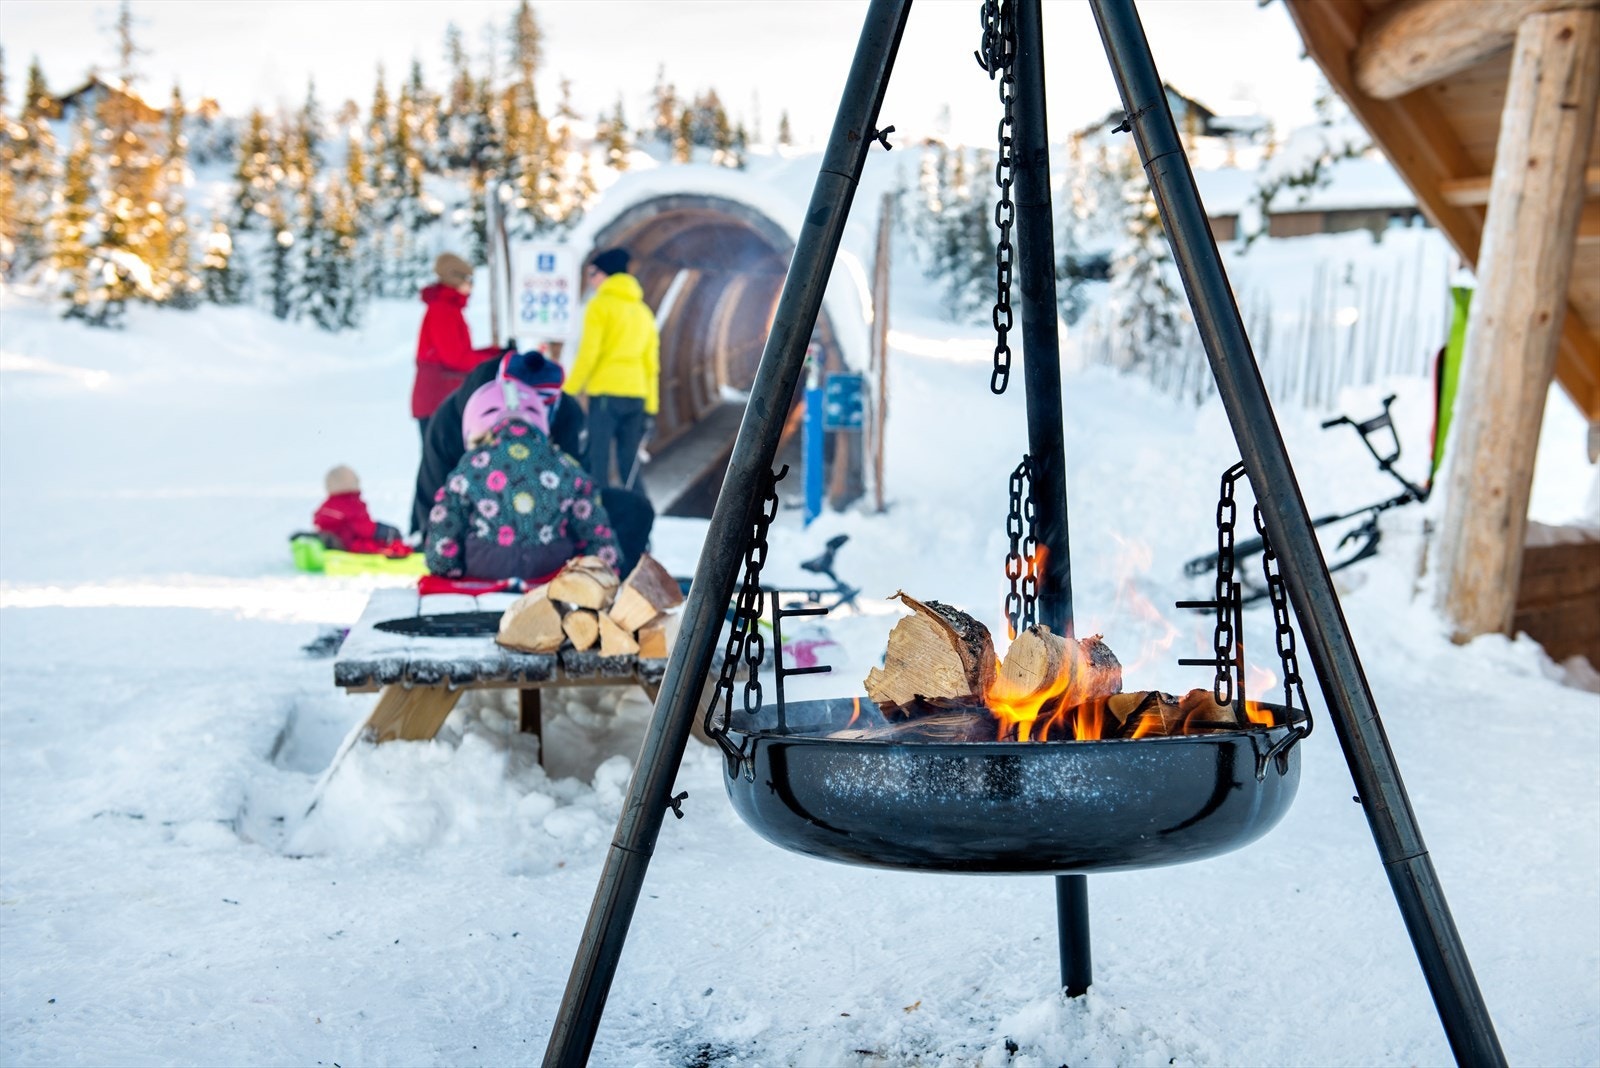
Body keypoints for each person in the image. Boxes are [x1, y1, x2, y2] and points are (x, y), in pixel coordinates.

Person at [410, 349, 656, 579]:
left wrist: (443, 565)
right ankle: (599, 586)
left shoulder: (566, 415)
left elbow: (446, 504)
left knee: (634, 510)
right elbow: (586, 503)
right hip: (545, 554)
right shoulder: (450, 419)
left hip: (485, 556)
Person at [563, 247, 660, 489]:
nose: (591, 280)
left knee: (599, 460)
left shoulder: (600, 306)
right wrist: (652, 406)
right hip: (637, 395)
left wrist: (569, 391)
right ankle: (637, 511)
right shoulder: (643, 312)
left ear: (605, 274)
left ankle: (599, 517)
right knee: (629, 463)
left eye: (593, 273)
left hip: (606, 395)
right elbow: (652, 365)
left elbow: (589, 354)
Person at [411, 252, 500, 441]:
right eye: (468, 279)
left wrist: (495, 353)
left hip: (440, 399)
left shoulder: (448, 308)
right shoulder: (443, 310)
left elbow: (460, 353)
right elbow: (457, 360)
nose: (472, 285)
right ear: (455, 280)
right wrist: (495, 359)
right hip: (437, 401)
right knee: (441, 465)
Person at [313, 465, 410, 556]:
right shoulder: (351, 504)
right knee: (384, 542)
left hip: (338, 542)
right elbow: (365, 529)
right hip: (351, 546)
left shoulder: (326, 506)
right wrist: (389, 532)